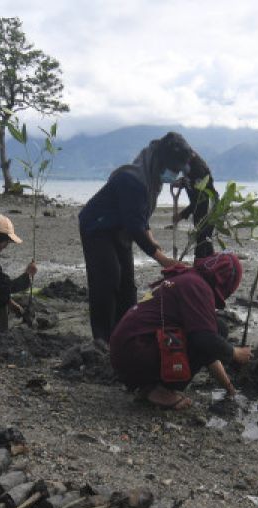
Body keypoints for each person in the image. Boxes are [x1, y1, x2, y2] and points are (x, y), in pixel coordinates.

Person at [79, 132, 194, 348]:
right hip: (97, 226)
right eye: (174, 168)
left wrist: (152, 238)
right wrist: (162, 259)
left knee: (127, 284)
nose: (175, 173)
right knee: (107, 278)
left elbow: (140, 217)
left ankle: (125, 334)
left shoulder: (151, 180)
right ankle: (102, 338)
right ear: (161, 161)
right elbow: (134, 225)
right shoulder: (133, 180)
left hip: (119, 227)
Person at [110, 253, 252, 411]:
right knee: (213, 332)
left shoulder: (190, 278)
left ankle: (149, 387)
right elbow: (204, 340)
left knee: (217, 328)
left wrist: (229, 387)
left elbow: (209, 350)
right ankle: (162, 391)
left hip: (127, 350)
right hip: (136, 352)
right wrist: (235, 353)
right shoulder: (197, 286)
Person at [172, 152, 217, 258]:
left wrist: (182, 215)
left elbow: (201, 199)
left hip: (208, 208)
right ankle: (210, 266)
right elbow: (190, 181)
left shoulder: (198, 169)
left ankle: (200, 267)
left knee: (202, 241)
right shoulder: (187, 168)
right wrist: (181, 183)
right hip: (199, 209)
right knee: (204, 241)